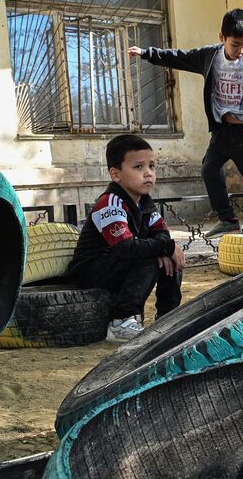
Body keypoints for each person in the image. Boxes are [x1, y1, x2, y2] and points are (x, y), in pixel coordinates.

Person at [127, 8, 243, 236]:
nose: (240, 50)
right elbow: (178, 57)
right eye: (235, 44)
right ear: (222, 38)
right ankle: (228, 218)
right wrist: (146, 53)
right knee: (209, 170)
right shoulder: (209, 57)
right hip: (221, 132)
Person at [69, 134, 184, 343]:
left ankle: (168, 317)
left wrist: (167, 248)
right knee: (150, 255)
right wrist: (165, 246)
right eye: (138, 167)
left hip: (119, 265)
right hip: (92, 270)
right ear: (116, 174)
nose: (148, 173)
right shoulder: (110, 202)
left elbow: (160, 231)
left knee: (170, 257)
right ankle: (121, 320)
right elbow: (126, 248)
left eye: (152, 166)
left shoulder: (144, 203)